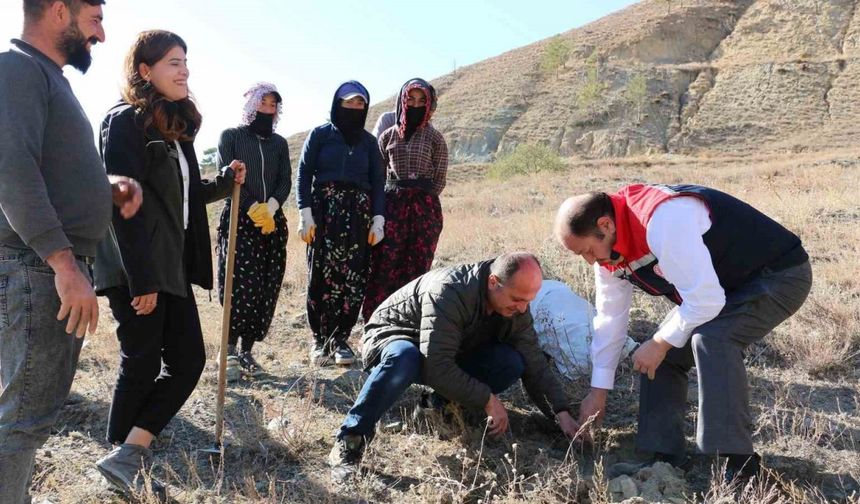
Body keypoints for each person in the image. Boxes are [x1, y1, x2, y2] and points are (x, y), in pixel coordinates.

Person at [553, 183, 812, 483]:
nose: (590, 261)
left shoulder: (662, 220)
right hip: (723, 289)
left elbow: (706, 301)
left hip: (779, 276)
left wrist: (660, 341)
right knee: (662, 353)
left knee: (712, 338)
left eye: (587, 250)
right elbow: (610, 320)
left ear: (605, 225)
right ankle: (665, 459)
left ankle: (743, 468)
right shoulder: (609, 251)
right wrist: (598, 392)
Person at [0, 2, 145, 503]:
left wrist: (106, 186)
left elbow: (46, 167)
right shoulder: (16, 70)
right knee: (21, 421)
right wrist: (62, 262)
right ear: (59, 10)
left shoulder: (45, 77)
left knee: (20, 417)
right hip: (34, 266)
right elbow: (12, 168)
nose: (101, 35)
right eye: (94, 19)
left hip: (38, 265)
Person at [92, 30, 246, 499]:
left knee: (188, 361)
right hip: (136, 264)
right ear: (145, 70)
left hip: (169, 264)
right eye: (174, 63)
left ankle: (127, 453)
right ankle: (122, 456)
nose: (185, 71)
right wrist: (140, 277)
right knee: (140, 360)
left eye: (186, 62)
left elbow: (182, 197)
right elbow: (121, 203)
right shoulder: (124, 123)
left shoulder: (173, 129)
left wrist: (222, 182)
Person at [328, 253, 581, 480]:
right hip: (395, 338)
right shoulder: (449, 290)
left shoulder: (515, 307)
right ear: (493, 282)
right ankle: (351, 439)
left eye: (528, 301)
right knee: (405, 357)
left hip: (446, 347)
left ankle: (436, 407)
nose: (523, 308)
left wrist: (561, 412)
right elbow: (437, 365)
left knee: (510, 362)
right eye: (517, 299)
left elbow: (533, 361)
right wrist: (487, 399)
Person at [295, 81, 385, 366]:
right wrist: (305, 212)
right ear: (337, 104)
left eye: (360, 103)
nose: (355, 108)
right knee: (321, 273)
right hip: (324, 212)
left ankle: (341, 339)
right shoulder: (320, 135)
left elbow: (379, 184)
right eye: (349, 103)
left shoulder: (370, 143)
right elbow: (304, 173)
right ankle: (319, 340)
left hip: (358, 215)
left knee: (353, 276)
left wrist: (378, 219)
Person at [215, 82, 291, 380]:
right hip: (240, 220)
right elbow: (226, 176)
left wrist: (270, 208)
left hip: (271, 223)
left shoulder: (279, 144)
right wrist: (251, 207)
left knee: (265, 285)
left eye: (273, 106)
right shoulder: (231, 137)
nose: (268, 110)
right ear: (251, 105)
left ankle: (247, 351)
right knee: (237, 285)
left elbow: (284, 179)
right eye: (263, 104)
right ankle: (228, 349)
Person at [361, 78, 447, 321]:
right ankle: (377, 321)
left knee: (417, 267)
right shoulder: (387, 136)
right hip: (391, 207)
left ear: (429, 104)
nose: (415, 104)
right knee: (384, 265)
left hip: (424, 211)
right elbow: (377, 176)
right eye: (410, 99)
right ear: (402, 100)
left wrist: (421, 202)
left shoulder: (435, 139)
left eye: (422, 100)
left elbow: (439, 179)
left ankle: (410, 324)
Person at [530, 279, 637, 380]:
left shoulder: (527, 295)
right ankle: (622, 350)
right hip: (555, 296)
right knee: (586, 326)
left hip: (547, 301)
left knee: (580, 340)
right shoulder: (541, 286)